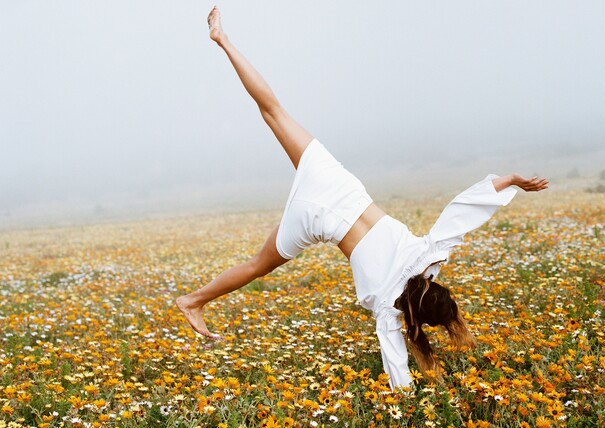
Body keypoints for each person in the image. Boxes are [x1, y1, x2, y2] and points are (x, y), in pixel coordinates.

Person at [177, 6, 549, 390]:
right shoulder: (389, 308)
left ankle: (223, 39)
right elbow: (397, 367)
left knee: (273, 110)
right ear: (416, 318)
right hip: (316, 219)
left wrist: (508, 181)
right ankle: (193, 301)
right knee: (257, 266)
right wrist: (409, 393)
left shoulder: (430, 254)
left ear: (436, 287)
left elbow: (462, 212)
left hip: (337, 184)